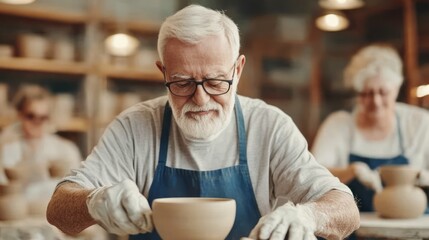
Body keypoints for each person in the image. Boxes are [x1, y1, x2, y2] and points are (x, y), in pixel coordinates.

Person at [47, 4, 359, 240]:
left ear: (237, 70)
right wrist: (92, 201)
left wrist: (308, 216)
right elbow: (58, 208)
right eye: (182, 83)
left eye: (215, 81)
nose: (200, 99)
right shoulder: (135, 127)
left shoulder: (268, 126)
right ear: (163, 73)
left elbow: (346, 209)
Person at [311, 43, 429, 212]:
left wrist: (421, 177)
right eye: (366, 94)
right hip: (353, 226)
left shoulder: (419, 123)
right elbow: (312, 177)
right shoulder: (338, 125)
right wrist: (350, 171)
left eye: (383, 92)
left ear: (396, 89)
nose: (376, 101)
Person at [0, 84, 82, 211]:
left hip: (55, 217)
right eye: (31, 116)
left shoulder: (65, 149)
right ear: (20, 115)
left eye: (43, 118)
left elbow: (78, 191)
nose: (36, 122)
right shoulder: (6, 148)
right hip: (18, 215)